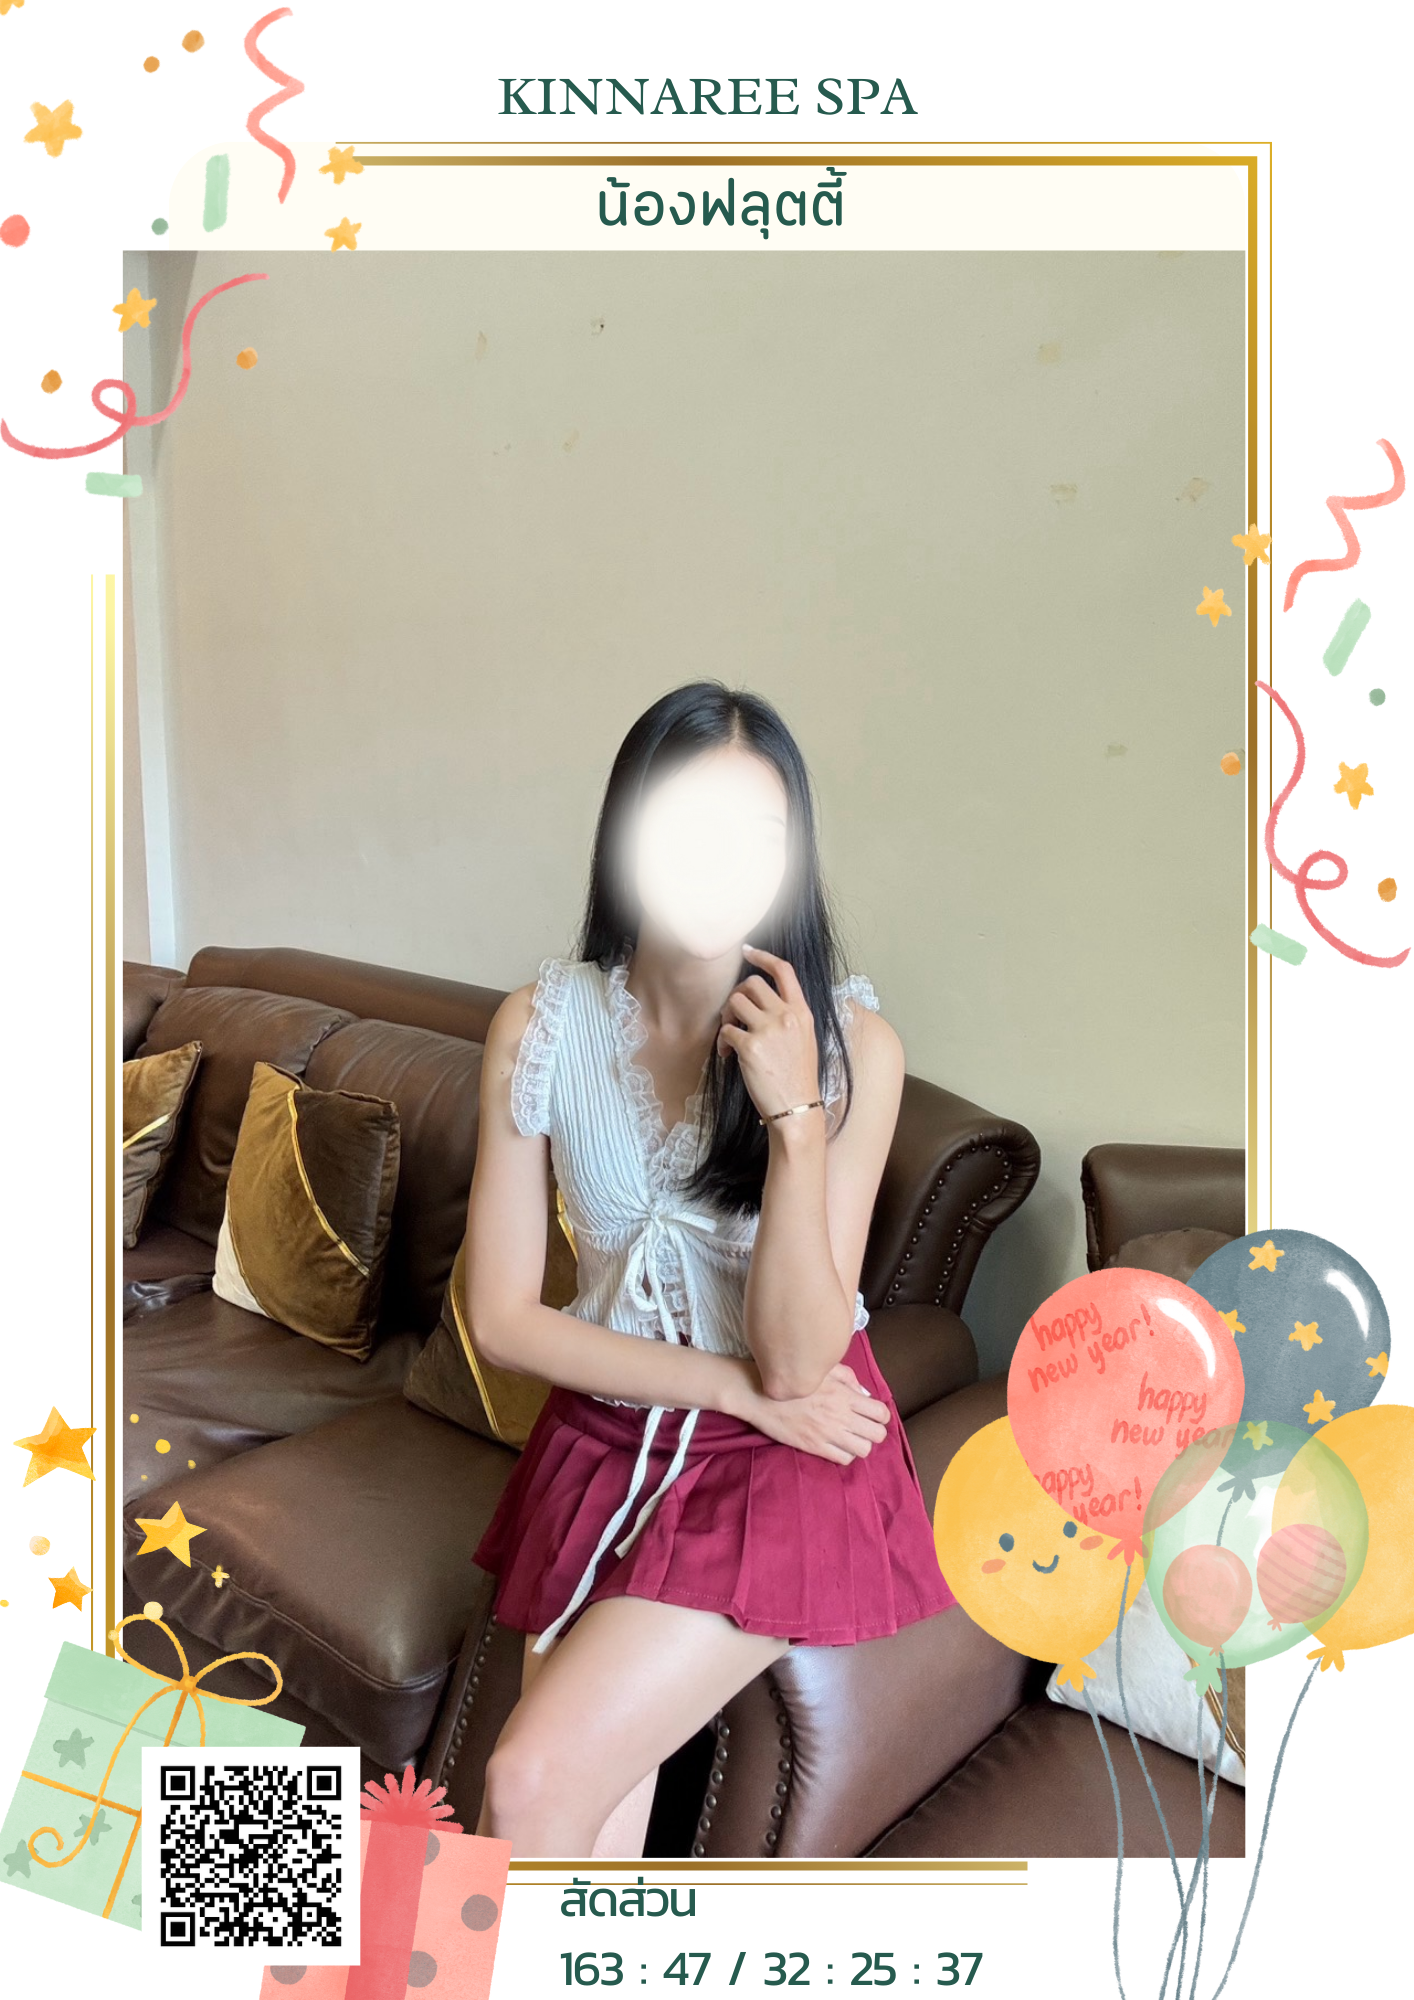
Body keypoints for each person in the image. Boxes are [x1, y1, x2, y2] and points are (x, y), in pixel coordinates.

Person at [465, 680, 956, 1858]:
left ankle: (384, 1940)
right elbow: (501, 1319)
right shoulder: (541, 1026)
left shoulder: (854, 1047)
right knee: (576, 1822)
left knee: (527, 1783)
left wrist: (793, 1118)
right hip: (615, 1430)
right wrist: (730, 1386)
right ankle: (357, 1933)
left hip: (786, 1452)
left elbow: (795, 1360)